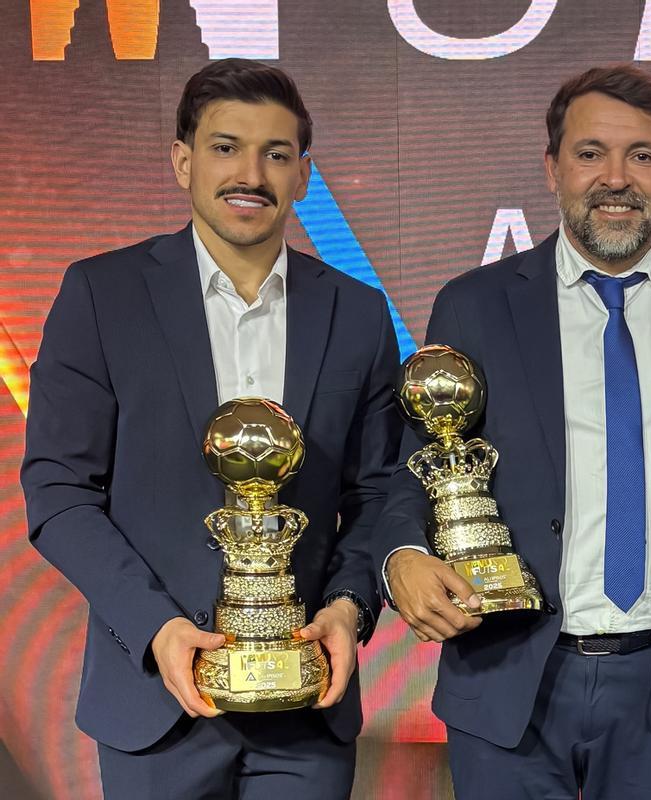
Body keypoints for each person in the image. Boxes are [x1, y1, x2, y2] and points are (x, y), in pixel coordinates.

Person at [373, 64, 651, 799]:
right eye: (591, 154)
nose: (616, 178)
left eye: (641, 155)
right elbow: (415, 468)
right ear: (552, 168)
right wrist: (402, 556)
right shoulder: (475, 305)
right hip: (506, 674)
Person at [21, 59, 400, 799]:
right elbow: (59, 491)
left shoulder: (356, 312)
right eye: (226, 147)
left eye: (276, 154)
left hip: (306, 707)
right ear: (182, 161)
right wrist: (155, 627)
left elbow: (379, 493)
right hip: (154, 702)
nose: (250, 174)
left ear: (303, 174)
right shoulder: (102, 294)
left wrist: (348, 609)